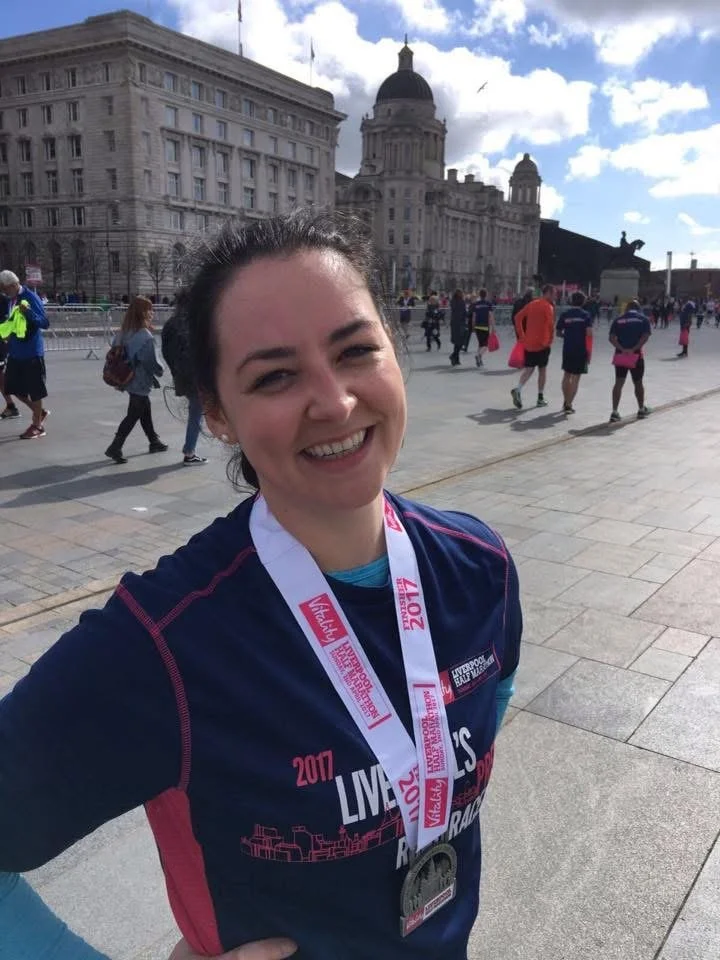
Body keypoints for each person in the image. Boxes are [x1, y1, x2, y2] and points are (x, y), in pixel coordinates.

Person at [0, 210, 521, 960]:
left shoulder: (483, 567)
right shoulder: (168, 642)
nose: (335, 402)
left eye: (356, 350)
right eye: (274, 376)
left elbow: (483, 720)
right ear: (216, 413)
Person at [104, 295, 168, 464]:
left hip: (127, 378)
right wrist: (161, 370)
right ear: (142, 312)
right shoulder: (144, 335)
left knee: (144, 408)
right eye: (149, 309)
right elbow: (151, 361)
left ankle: (154, 441)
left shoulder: (123, 332)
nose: (152, 313)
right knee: (133, 414)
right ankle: (115, 446)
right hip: (139, 379)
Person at [0, 269, 50, 438]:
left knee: (35, 391)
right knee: (12, 387)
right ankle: (39, 412)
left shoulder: (30, 297)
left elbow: (44, 322)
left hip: (31, 352)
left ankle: (37, 426)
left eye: (5, 289)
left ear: (14, 285)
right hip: (15, 351)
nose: (4, 293)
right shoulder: (11, 299)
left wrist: (28, 312)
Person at [161, 293, 208, 465]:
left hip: (182, 376)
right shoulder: (191, 325)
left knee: (196, 411)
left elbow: (165, 352)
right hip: (195, 376)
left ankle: (190, 449)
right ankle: (189, 451)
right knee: (196, 412)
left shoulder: (170, 324)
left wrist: (175, 371)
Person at [510, 284, 555, 409]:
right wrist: (550, 340)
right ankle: (540, 397)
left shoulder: (532, 304)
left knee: (529, 369)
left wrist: (522, 336)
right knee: (542, 370)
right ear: (549, 293)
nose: (554, 296)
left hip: (529, 343)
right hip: (542, 344)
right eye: (554, 294)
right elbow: (551, 326)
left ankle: (518, 389)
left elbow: (517, 317)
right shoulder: (548, 307)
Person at [609, 299, 652, 423]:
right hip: (636, 356)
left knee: (618, 383)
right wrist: (634, 349)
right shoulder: (643, 319)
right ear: (638, 308)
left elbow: (611, 338)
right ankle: (641, 409)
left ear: (627, 308)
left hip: (621, 356)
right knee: (638, 383)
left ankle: (614, 411)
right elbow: (645, 336)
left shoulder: (618, 320)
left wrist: (622, 349)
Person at [556, 291, 593, 414]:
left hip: (568, 348)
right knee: (576, 378)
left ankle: (565, 400)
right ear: (583, 302)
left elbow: (558, 332)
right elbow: (589, 333)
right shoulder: (585, 315)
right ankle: (569, 404)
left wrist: (566, 336)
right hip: (580, 349)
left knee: (566, 375)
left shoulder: (565, 314)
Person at [469, 288, 495, 368]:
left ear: (479, 295)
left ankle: (480, 360)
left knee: (480, 344)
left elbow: (474, 316)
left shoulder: (475, 304)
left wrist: (473, 326)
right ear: (486, 295)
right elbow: (490, 316)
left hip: (477, 326)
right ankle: (478, 355)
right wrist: (493, 326)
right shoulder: (488, 304)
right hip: (485, 326)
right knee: (485, 345)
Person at [448, 289, 469, 366]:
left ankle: (456, 359)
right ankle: (454, 356)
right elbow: (463, 312)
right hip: (459, 324)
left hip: (455, 323)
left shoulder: (453, 301)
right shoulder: (460, 302)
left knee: (457, 342)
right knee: (460, 341)